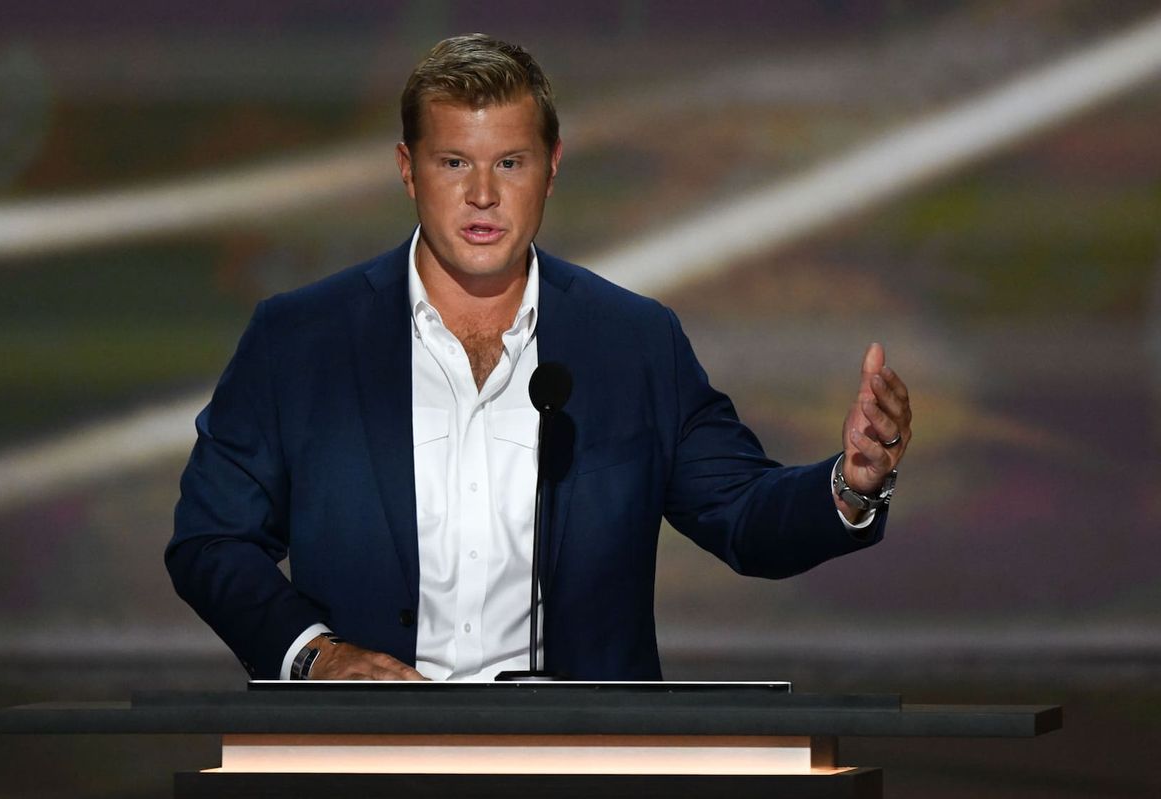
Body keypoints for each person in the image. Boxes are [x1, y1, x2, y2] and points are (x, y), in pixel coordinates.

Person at [166, 34, 911, 682]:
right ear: (407, 168)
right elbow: (211, 540)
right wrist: (314, 656)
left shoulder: (633, 343)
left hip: (577, 763)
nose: (483, 194)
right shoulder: (301, 341)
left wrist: (851, 483)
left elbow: (745, 517)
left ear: (551, 167)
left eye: (511, 163)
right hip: (366, 756)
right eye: (454, 161)